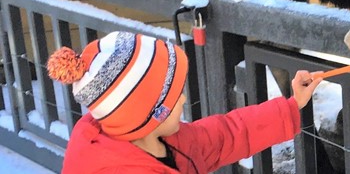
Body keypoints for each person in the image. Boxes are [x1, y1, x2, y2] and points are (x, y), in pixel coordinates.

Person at [46, 31, 323, 173]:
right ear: (150, 112)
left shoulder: (162, 139)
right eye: (173, 95)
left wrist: (291, 105)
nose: (183, 99)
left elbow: (226, 135)